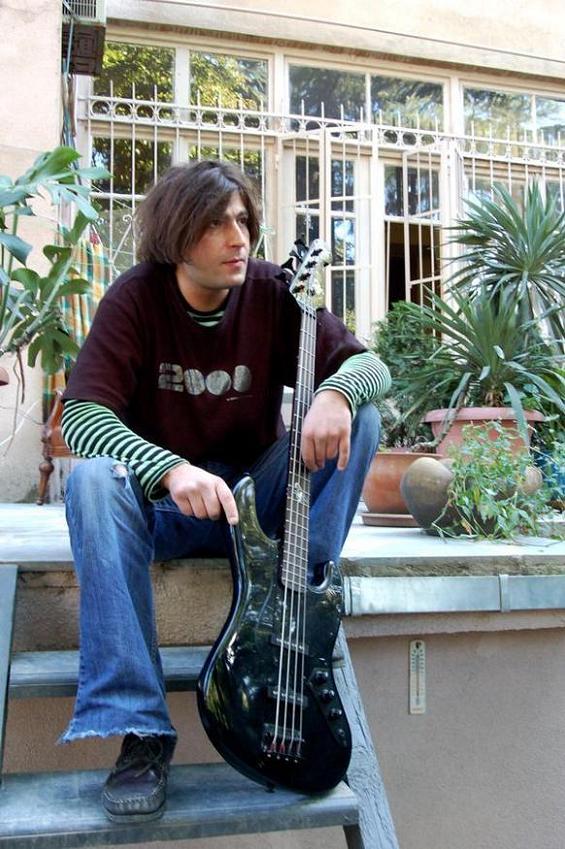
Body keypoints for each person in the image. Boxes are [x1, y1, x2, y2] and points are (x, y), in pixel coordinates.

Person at [60, 159, 391, 822]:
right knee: (92, 479)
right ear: (176, 234)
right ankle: (142, 727)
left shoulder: (273, 291)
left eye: (242, 220)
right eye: (216, 223)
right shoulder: (135, 298)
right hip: (167, 511)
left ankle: (297, 603)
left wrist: (336, 391)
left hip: (252, 508)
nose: (237, 237)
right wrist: (169, 469)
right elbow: (82, 416)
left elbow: (370, 364)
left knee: (364, 416)